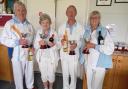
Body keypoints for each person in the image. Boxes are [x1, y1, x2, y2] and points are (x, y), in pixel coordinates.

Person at [0, 1, 35, 89]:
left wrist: (32, 46)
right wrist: (17, 42)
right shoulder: (9, 24)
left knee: (30, 71)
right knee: (18, 75)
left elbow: (33, 39)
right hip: (16, 55)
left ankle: (30, 86)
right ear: (15, 12)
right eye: (18, 10)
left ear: (26, 11)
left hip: (29, 53)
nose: (21, 12)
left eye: (23, 10)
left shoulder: (29, 25)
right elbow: (3, 39)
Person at [82, 10, 114, 89]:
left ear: (99, 19)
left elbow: (110, 49)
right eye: (92, 17)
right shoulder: (86, 31)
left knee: (96, 87)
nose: (94, 19)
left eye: (96, 17)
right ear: (89, 19)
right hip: (88, 63)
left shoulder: (104, 31)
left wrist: (94, 46)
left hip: (100, 65)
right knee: (89, 86)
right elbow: (83, 44)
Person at [58, 5, 84, 89]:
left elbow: (83, 41)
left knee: (73, 74)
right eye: (69, 11)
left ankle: (72, 87)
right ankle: (65, 87)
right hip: (64, 54)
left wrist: (77, 45)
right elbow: (57, 41)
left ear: (76, 13)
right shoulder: (61, 27)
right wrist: (61, 42)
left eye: (73, 11)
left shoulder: (81, 27)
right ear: (66, 13)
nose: (71, 13)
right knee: (65, 73)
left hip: (74, 54)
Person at [34, 13, 59, 89]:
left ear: (50, 23)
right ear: (40, 23)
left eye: (47, 22)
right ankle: (45, 87)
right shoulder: (38, 33)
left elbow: (59, 44)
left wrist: (54, 45)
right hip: (42, 58)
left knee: (51, 74)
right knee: (43, 74)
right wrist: (39, 43)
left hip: (52, 58)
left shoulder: (54, 33)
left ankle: (50, 87)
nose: (45, 24)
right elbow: (35, 45)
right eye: (43, 22)